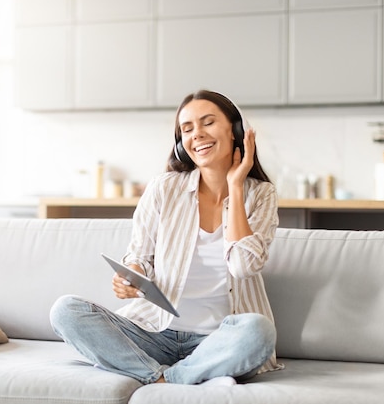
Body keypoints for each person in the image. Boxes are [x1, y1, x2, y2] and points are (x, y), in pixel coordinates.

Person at [50, 89, 283, 386]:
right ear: (181, 143)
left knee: (258, 332)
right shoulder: (164, 188)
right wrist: (131, 276)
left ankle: (170, 376)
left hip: (217, 342)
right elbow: (140, 257)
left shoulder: (261, 194)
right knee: (66, 310)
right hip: (155, 332)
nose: (197, 134)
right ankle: (163, 376)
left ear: (235, 130)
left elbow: (244, 267)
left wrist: (236, 187)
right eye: (187, 129)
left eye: (208, 122)